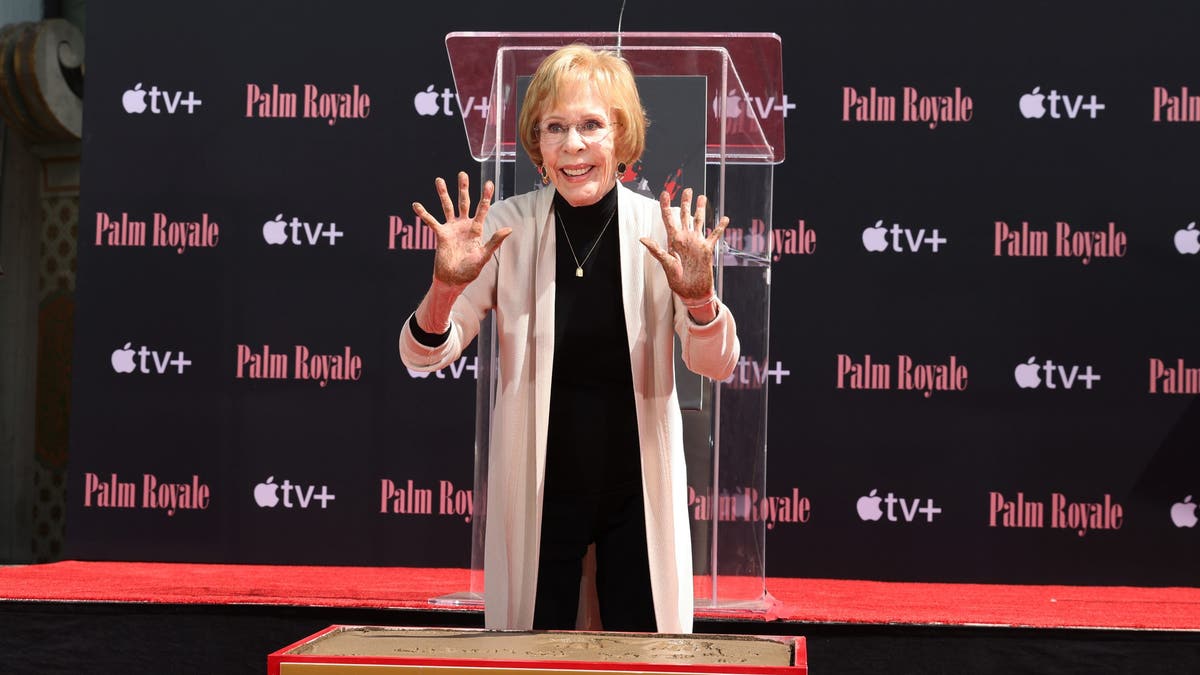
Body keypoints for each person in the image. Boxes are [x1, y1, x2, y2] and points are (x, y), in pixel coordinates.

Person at [399, 44, 739, 633]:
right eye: (554, 128)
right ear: (536, 144)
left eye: (591, 126)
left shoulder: (663, 232)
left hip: (637, 491)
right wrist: (445, 288)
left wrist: (698, 299)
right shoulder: (505, 226)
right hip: (539, 491)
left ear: (623, 138)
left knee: (645, 658)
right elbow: (425, 353)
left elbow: (716, 362)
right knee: (531, 657)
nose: (573, 146)